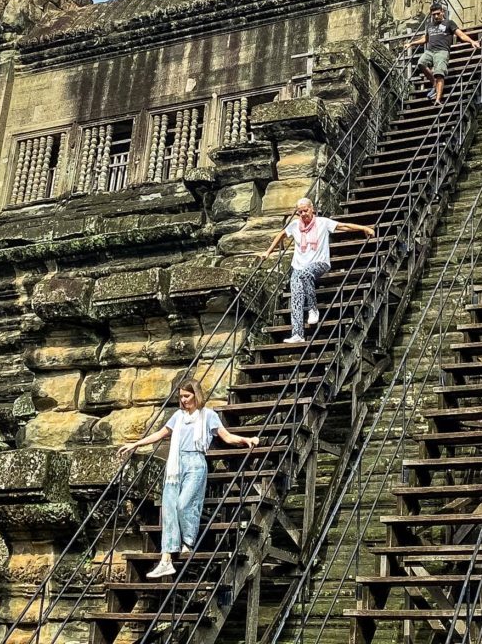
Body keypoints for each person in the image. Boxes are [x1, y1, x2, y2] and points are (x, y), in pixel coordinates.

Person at [118, 378, 259, 579]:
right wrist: (135, 444)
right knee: (169, 507)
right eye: (181, 396)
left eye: (187, 396)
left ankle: (188, 542)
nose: (183, 400)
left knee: (184, 505)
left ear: (196, 395)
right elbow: (160, 434)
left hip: (195, 462)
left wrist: (246, 440)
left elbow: (226, 437)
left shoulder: (208, 416)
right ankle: (166, 558)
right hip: (175, 465)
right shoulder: (178, 416)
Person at [260, 197, 375, 343]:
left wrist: (363, 228)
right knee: (296, 296)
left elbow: (343, 226)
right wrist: (268, 252)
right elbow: (281, 234)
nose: (303, 214)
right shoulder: (295, 225)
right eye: (300, 212)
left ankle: (313, 309)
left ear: (312, 209)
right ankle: (298, 334)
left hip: (320, 263)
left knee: (305, 274)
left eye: (305, 210)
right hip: (298, 266)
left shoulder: (322, 222)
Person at [409, 1, 480, 106]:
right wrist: (412, 43)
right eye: (434, 15)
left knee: (439, 73)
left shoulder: (449, 23)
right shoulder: (429, 25)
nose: (436, 16)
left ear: (442, 12)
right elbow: (426, 39)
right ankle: (434, 83)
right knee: (421, 63)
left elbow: (460, 35)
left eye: (438, 13)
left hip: (442, 51)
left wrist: (472, 41)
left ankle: (438, 98)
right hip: (430, 50)